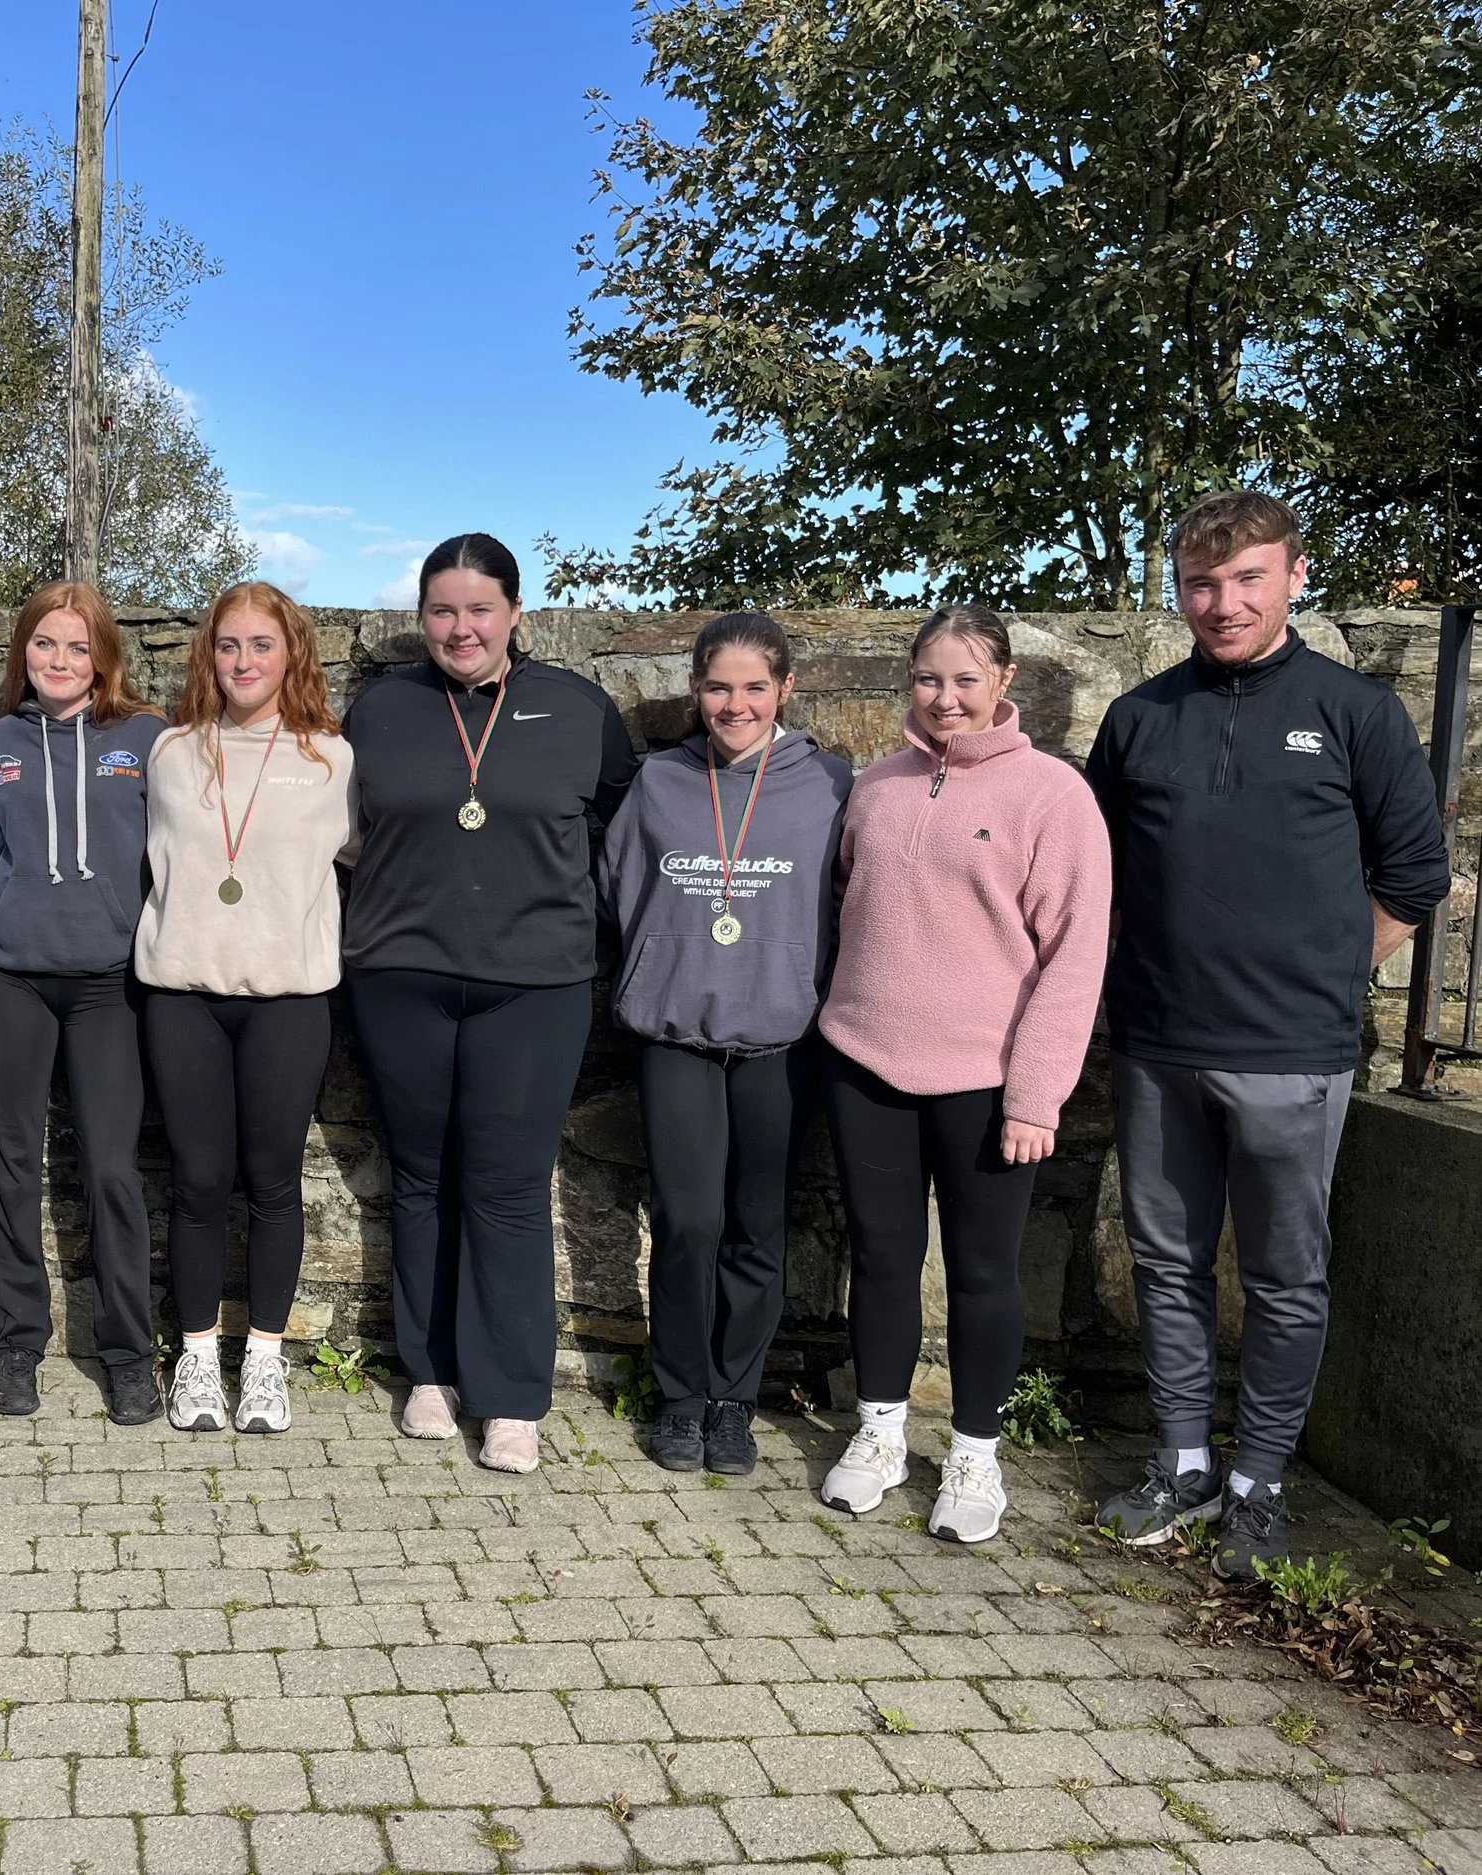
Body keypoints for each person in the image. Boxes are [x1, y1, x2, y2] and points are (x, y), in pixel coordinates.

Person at [1087, 492, 1449, 1578]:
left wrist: (1325, 973)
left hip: (1294, 1054)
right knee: (1167, 1264)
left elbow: (1414, 876)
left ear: (1294, 576)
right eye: (1200, 583)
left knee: (1286, 1277)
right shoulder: (1139, 717)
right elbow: (1095, 875)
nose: (1223, 603)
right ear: (1178, 590)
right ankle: (1185, 1462)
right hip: (1157, 1045)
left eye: (1247, 578)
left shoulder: (1355, 711)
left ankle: (1258, 1484)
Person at [343, 534, 638, 1473]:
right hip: (400, 977)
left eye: (479, 609)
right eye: (442, 610)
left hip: (535, 986)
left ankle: (511, 1393)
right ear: (421, 617)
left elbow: (624, 826)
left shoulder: (579, 708)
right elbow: (343, 831)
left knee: (507, 1186)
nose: (460, 628)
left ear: (515, 612)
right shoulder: (380, 710)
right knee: (420, 1177)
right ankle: (431, 1372)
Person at [815, 606, 1110, 1544]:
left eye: (966, 680)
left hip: (987, 1083)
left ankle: (976, 1453)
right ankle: (880, 1434)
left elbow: (1074, 957)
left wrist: (1036, 1094)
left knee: (983, 1272)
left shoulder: (1053, 796)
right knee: (882, 1257)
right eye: (928, 679)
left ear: (1004, 682)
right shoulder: (875, 786)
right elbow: (845, 904)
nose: (945, 698)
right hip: (864, 1063)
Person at [598, 612, 850, 1475]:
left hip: (781, 1038)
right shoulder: (660, 779)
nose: (734, 704)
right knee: (687, 1220)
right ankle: (679, 1397)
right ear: (695, 689)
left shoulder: (830, 783)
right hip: (676, 1032)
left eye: (753, 687)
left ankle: (733, 1402)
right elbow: (618, 888)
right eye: (717, 687)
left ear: (786, 689)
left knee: (756, 1225)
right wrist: (666, 960)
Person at [141, 582, 357, 1435]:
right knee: (197, 1179)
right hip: (183, 994)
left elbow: (367, 857)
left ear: (292, 652)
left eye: (262, 644)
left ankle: (263, 1359)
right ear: (209, 653)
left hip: (288, 999)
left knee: (272, 1179)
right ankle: (197, 1356)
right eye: (228, 644)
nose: (243, 661)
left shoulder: (330, 759)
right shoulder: (171, 752)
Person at [0, 582, 166, 1424]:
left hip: (109, 982)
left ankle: (128, 1354)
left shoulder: (145, 738)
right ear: (24, 649)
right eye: (45, 642)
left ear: (103, 656)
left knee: (113, 1167)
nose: (60, 659)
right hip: (11, 975)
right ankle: (16, 1344)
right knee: (9, 1160)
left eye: (78, 646)